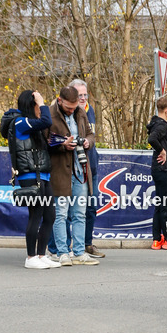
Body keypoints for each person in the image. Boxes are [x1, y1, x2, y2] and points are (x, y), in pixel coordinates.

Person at [4, 90, 59, 269]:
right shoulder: (20, 122)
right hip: (29, 176)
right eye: (39, 105)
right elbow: (46, 120)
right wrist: (42, 102)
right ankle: (30, 257)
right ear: (32, 105)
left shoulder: (32, 126)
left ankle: (41, 255)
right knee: (35, 215)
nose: (41, 108)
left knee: (50, 215)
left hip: (43, 175)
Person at [48, 85, 98, 265]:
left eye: (74, 106)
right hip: (60, 171)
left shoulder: (80, 112)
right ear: (59, 100)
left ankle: (78, 252)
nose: (72, 110)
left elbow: (91, 135)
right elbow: (43, 141)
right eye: (69, 107)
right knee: (60, 214)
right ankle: (62, 252)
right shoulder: (49, 114)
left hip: (80, 171)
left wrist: (87, 142)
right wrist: (63, 146)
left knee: (80, 213)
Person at [71, 79, 104, 259]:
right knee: (71, 209)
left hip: (92, 166)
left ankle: (87, 244)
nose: (83, 98)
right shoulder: (68, 112)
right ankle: (67, 246)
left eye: (85, 94)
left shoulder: (89, 109)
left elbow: (91, 137)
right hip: (75, 168)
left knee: (91, 207)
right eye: (79, 95)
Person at [147, 96, 167, 250]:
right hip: (164, 169)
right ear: (166, 111)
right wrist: (162, 151)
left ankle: (156, 238)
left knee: (160, 203)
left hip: (158, 169)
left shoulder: (156, 123)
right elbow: (152, 139)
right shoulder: (161, 125)